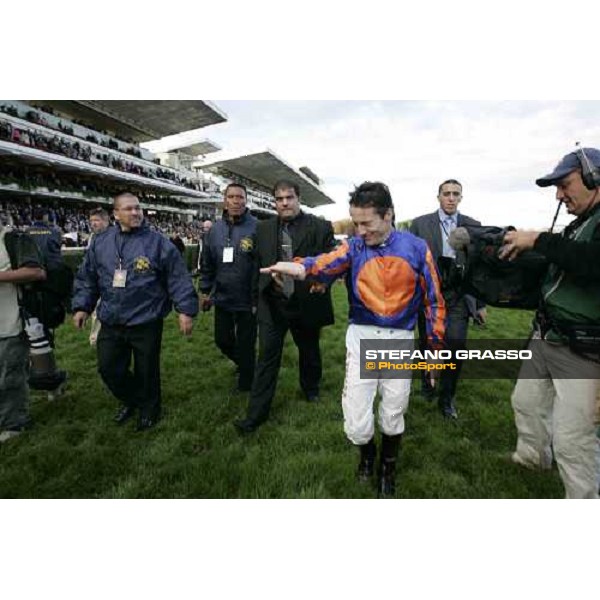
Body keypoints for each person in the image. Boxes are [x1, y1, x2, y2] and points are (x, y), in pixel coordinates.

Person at [258, 182, 446, 496]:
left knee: (393, 410)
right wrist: (294, 267)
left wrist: (435, 350)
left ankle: (387, 465)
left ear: (388, 216)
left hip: (399, 341)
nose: (359, 231)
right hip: (362, 339)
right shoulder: (354, 247)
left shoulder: (417, 248)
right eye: (355, 223)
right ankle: (366, 455)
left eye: (366, 223)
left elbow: (435, 302)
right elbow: (321, 264)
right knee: (357, 422)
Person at [499, 147, 600, 499]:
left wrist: (538, 239)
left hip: (585, 351)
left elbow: (591, 262)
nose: (559, 195)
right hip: (546, 335)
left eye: (565, 184)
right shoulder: (581, 222)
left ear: (594, 178)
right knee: (525, 402)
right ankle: (532, 458)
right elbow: (560, 268)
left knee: (573, 439)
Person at [71, 192, 199, 431]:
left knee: (147, 370)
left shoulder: (158, 242)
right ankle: (133, 400)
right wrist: (82, 306)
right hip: (111, 318)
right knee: (108, 368)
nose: (135, 213)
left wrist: (185, 310)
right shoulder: (101, 242)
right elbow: (87, 277)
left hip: (146, 318)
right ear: (116, 214)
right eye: (128, 209)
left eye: (138, 208)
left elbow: (177, 277)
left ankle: (150, 409)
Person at [234, 180, 336, 433]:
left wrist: (323, 281)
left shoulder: (320, 226)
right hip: (272, 303)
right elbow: (255, 266)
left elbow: (331, 262)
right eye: (279, 199)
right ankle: (255, 415)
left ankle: (310, 389)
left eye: (289, 197)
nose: (284, 203)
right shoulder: (263, 229)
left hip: (306, 302)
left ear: (298, 198)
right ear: (274, 202)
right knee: (267, 358)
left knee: (309, 350)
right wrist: (254, 300)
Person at [410, 179, 486, 419]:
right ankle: (427, 384)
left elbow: (479, 268)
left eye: (456, 194)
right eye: (447, 194)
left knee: (455, 347)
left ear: (461, 198)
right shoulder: (420, 224)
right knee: (427, 344)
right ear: (439, 197)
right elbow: (411, 262)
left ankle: (447, 399)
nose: (451, 198)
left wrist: (481, 303)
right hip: (429, 294)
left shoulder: (473, 226)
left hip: (459, 295)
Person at [199, 183, 258, 391]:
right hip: (222, 296)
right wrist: (205, 290)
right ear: (225, 200)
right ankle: (246, 364)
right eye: (231, 197)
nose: (236, 201)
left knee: (246, 343)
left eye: (240, 197)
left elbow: (263, 263)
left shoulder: (257, 227)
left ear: (246, 200)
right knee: (222, 340)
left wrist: (259, 295)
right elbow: (207, 263)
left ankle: (247, 383)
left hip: (248, 299)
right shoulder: (215, 230)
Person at [0, 210, 46, 442]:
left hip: (11, 321)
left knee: (10, 377)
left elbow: (36, 271)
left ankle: (13, 424)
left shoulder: (13, 239)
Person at [87, 207, 110, 346]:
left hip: (112, 279)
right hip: (97, 280)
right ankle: (95, 339)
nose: (93, 223)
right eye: (91, 221)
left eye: (96, 220)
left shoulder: (115, 236)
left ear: (106, 221)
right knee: (96, 311)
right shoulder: (93, 237)